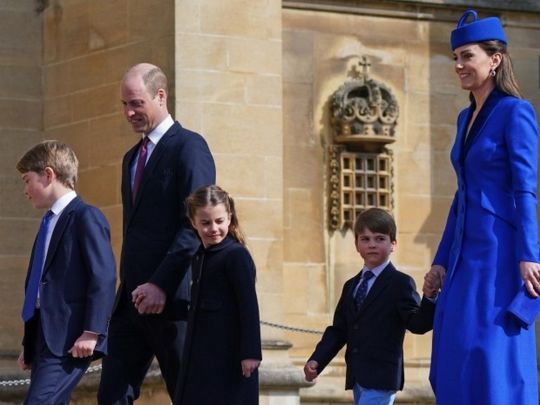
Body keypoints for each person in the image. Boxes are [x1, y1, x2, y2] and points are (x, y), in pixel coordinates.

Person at [424, 9, 540, 404]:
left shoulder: (516, 112)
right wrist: (441, 261)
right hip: (463, 255)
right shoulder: (464, 118)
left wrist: (528, 255)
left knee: (492, 351)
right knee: (456, 350)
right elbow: (463, 194)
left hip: (499, 253)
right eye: (455, 57)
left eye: (467, 56)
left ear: (495, 59)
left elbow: (525, 189)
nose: (458, 65)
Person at [97, 63, 216, 404]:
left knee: (190, 396)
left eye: (136, 103)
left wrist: (161, 284)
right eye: (124, 104)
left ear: (160, 96)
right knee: (111, 396)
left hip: (173, 301)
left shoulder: (189, 147)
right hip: (131, 304)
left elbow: (195, 224)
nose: (129, 112)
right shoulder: (130, 158)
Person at [16, 140, 116, 404]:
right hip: (44, 337)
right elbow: (40, 284)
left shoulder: (86, 216)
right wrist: (29, 344)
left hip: (69, 339)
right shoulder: (48, 222)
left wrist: (92, 331)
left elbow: (103, 277)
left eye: (27, 180)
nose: (25, 190)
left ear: (48, 174)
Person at [304, 208, 435, 405]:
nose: (372, 244)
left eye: (379, 238)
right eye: (365, 239)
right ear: (356, 244)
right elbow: (339, 330)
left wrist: (430, 297)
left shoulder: (400, 283)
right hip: (357, 376)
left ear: (393, 244)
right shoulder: (351, 286)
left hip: (382, 376)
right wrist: (317, 360)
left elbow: (418, 324)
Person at [173, 185, 262, 405]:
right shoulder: (199, 256)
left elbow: (248, 306)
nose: (213, 228)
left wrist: (250, 353)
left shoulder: (236, 256)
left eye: (219, 221)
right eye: (205, 223)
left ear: (229, 218)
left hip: (230, 361)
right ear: (193, 222)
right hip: (201, 360)